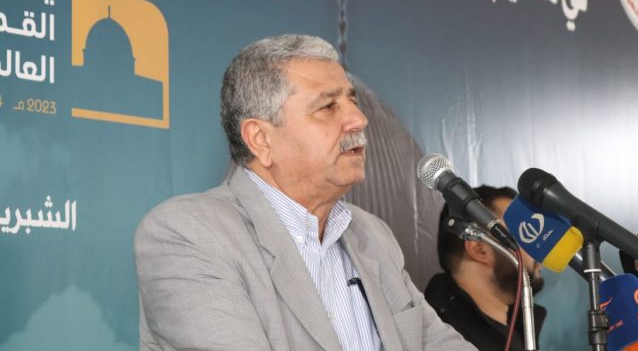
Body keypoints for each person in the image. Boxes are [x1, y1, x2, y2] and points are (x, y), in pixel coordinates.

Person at [134, 34, 476, 350]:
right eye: (328, 107)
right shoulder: (187, 234)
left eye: (352, 101)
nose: (359, 119)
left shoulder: (372, 235)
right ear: (261, 139)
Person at [424, 186, 547, 351]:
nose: (540, 254)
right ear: (480, 250)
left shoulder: (520, 326)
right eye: (524, 234)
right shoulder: (443, 340)